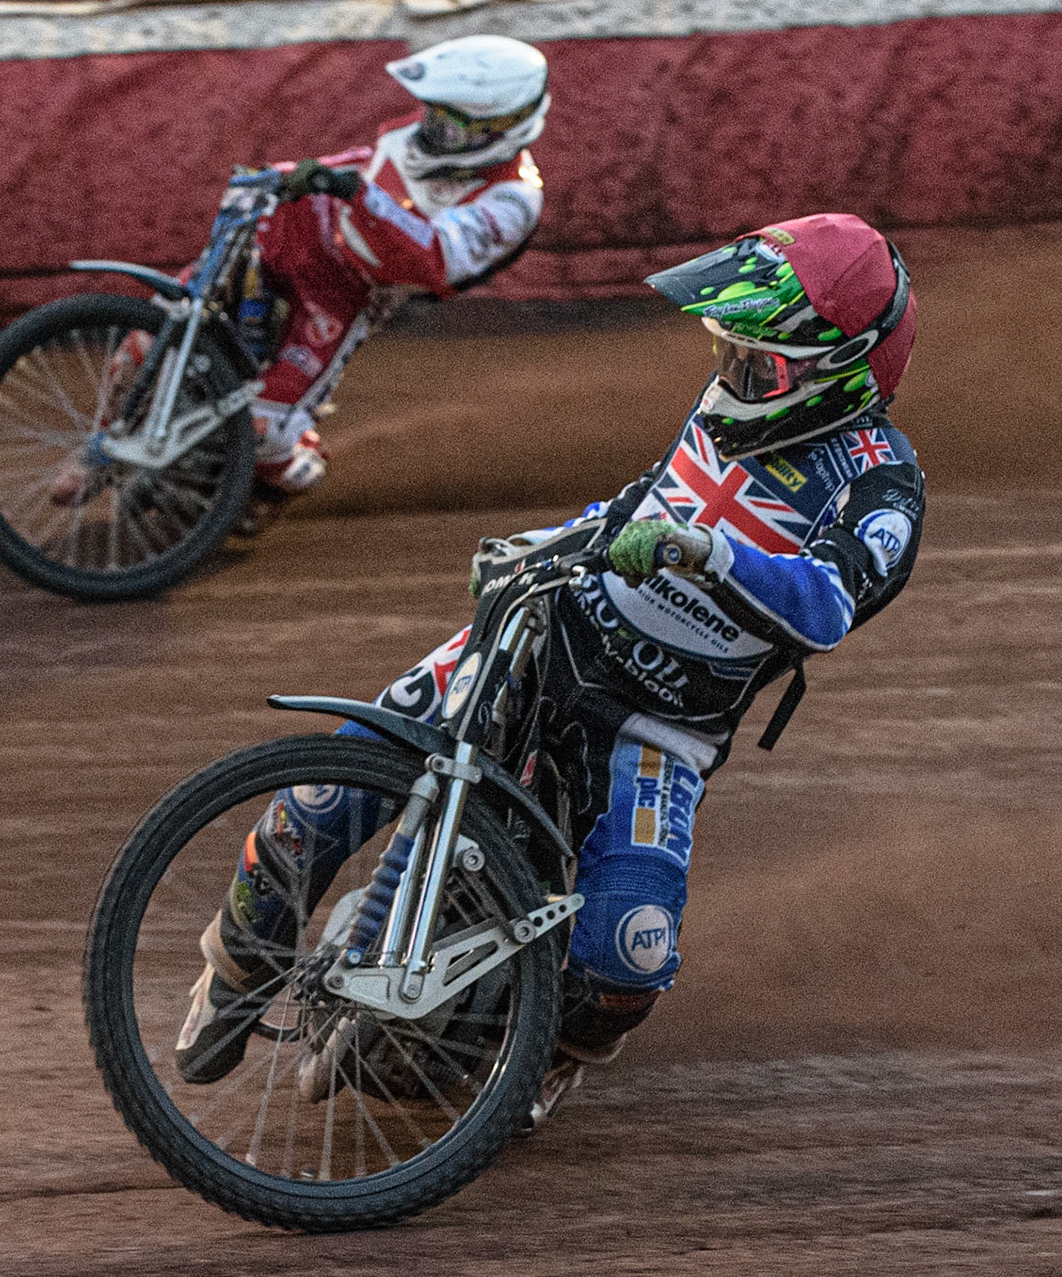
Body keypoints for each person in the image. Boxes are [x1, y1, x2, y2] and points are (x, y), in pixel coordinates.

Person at [175, 212, 926, 1127]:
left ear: (837, 375)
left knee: (631, 956)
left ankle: (559, 1048)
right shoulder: (728, 403)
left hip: (661, 729)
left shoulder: (881, 484)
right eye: (729, 351)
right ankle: (235, 964)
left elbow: (827, 604)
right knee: (324, 795)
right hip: (551, 629)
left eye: (757, 364)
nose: (731, 376)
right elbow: (644, 503)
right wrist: (547, 540)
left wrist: (706, 555)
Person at [51, 34, 551, 528]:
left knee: (264, 429)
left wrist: (358, 194)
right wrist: (286, 175)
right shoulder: (412, 138)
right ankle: (99, 451)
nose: (436, 131)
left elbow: (435, 259)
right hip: (285, 234)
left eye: (455, 123)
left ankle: (275, 478)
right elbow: (355, 165)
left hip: (346, 291)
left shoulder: (512, 202)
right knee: (147, 342)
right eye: (435, 113)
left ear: (502, 128)